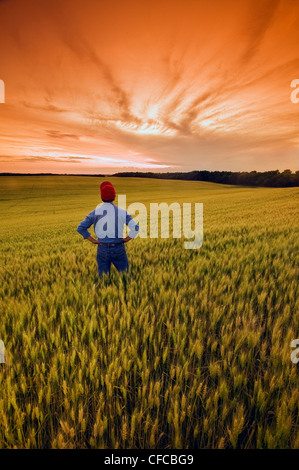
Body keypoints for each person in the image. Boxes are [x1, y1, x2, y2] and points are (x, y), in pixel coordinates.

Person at [77, 181, 139, 277]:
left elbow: (81, 228)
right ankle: (127, 290)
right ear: (114, 197)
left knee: (103, 280)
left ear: (102, 197)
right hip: (118, 247)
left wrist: (93, 240)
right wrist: (127, 238)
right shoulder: (122, 212)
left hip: (102, 248)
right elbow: (135, 227)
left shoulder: (95, 212)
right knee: (126, 277)